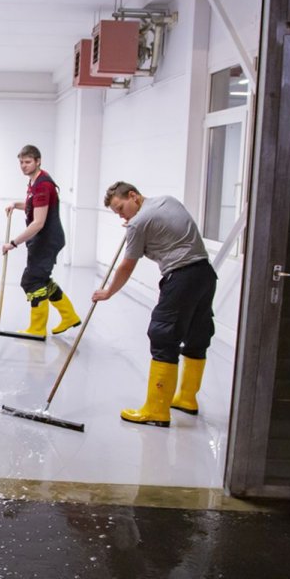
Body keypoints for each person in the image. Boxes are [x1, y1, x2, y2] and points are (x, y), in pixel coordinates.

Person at [91, 181, 217, 427]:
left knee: (163, 335)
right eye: (116, 212)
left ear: (133, 195)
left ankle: (157, 410)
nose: (120, 215)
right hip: (205, 274)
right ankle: (187, 399)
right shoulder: (167, 200)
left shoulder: (138, 223)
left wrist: (108, 292)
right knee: (196, 334)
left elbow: (127, 266)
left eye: (120, 208)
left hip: (180, 277)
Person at [0, 145, 81, 336]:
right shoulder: (34, 182)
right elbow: (33, 205)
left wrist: (13, 243)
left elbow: (38, 223)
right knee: (41, 279)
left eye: (28, 162)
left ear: (38, 161)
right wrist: (16, 204)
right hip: (44, 239)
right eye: (21, 162)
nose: (23, 166)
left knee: (32, 281)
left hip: (46, 240)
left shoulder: (43, 184)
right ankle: (69, 316)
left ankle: (37, 329)